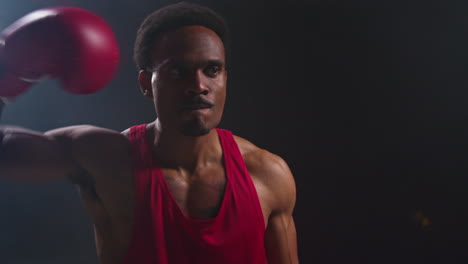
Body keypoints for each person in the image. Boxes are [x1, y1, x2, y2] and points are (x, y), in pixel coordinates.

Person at [0, 2, 298, 263]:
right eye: (177, 71)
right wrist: (4, 77)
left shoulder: (267, 173)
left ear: (225, 78)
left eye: (212, 70)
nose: (198, 85)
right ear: (146, 83)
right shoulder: (108, 161)